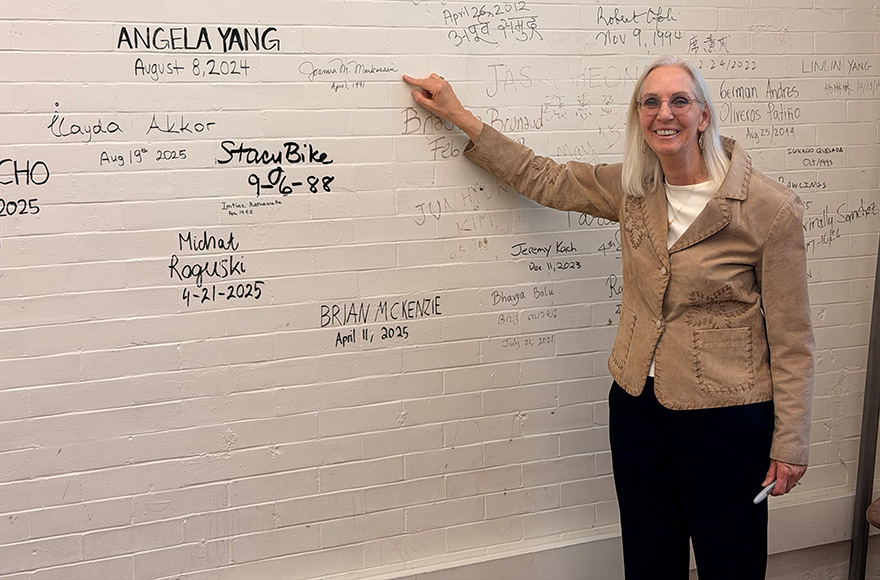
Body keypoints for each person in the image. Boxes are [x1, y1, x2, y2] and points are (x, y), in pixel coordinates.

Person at [404, 55, 814, 580]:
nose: (664, 113)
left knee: (728, 560)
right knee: (648, 558)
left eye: (679, 101)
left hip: (727, 416)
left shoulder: (767, 208)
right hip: (638, 404)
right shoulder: (634, 189)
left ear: (704, 115)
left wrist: (790, 443)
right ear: (639, 118)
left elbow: (792, 337)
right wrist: (460, 116)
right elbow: (545, 179)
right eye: (651, 102)